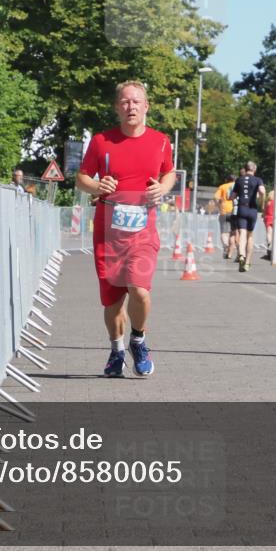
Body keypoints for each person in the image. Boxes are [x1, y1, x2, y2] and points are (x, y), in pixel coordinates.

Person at [75, 81, 176, 378]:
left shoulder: (160, 141)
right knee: (112, 301)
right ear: (117, 107)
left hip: (143, 232)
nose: (130, 106)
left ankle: (138, 340)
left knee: (139, 290)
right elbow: (81, 178)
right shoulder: (101, 141)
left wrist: (163, 188)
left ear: (146, 106)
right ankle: (116, 350)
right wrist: (96, 185)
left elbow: (168, 172)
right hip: (108, 234)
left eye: (136, 101)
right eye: (125, 102)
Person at [229, 161, 266, 272]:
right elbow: (262, 191)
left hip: (241, 208)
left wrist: (231, 197)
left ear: (245, 169)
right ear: (254, 169)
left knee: (242, 234)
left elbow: (232, 196)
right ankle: (248, 262)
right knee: (250, 236)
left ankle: (241, 255)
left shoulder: (239, 180)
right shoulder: (258, 180)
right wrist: (262, 202)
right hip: (252, 209)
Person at [214, 173, 237, 259]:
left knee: (224, 232)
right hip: (234, 211)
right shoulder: (238, 186)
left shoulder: (222, 186)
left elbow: (216, 197)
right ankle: (231, 252)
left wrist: (219, 206)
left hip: (223, 212)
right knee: (233, 233)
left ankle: (225, 246)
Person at [262, 189, 276, 257]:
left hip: (267, 218)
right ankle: (273, 244)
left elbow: (264, 211)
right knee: (274, 233)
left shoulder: (268, 202)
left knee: (268, 232)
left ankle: (269, 243)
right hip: (274, 218)